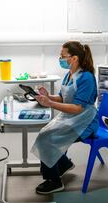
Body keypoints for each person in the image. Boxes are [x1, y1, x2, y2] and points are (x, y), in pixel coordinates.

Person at [31, 41, 98, 194]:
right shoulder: (70, 75)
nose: (60, 58)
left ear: (74, 58)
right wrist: (48, 96)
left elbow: (77, 108)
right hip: (72, 118)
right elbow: (63, 97)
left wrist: (49, 104)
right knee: (45, 134)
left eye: (63, 56)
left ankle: (54, 181)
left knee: (48, 139)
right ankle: (64, 164)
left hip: (85, 122)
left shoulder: (86, 78)